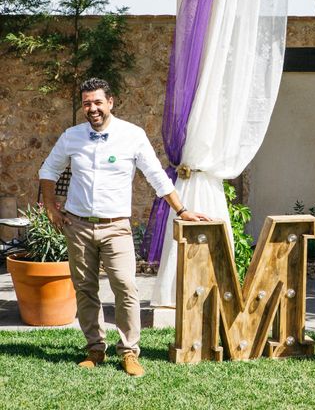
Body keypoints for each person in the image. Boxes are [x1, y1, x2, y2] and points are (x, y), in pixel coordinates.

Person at [39, 77, 211, 377]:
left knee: (126, 287)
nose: (92, 108)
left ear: (111, 102)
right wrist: (53, 209)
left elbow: (156, 176)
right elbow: (48, 170)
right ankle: (95, 348)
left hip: (116, 226)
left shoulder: (132, 135)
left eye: (97, 102)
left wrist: (182, 210)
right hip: (78, 225)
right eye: (86, 103)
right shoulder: (72, 136)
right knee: (85, 289)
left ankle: (129, 351)